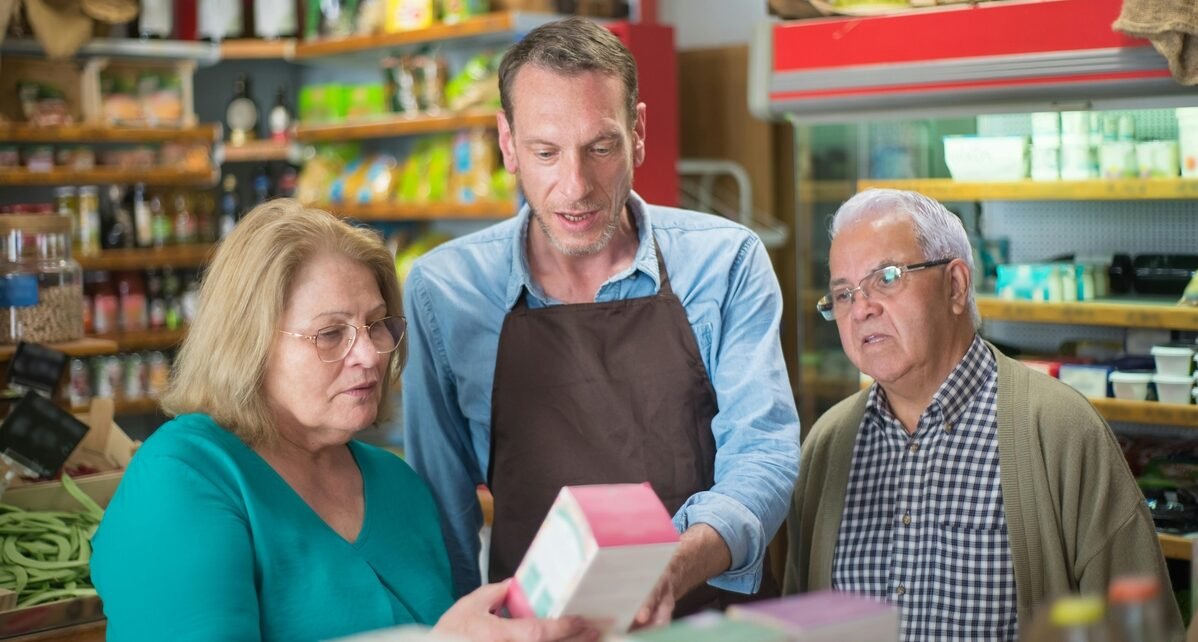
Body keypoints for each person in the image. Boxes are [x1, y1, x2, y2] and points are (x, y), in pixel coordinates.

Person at [402, 17, 800, 623]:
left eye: (601, 147)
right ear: (507, 144)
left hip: (705, 622)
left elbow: (764, 456)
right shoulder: (445, 292)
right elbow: (442, 508)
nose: (576, 185)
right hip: (537, 631)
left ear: (638, 132)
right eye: (545, 152)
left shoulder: (726, 262)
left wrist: (674, 564)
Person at [91, 200, 598, 642]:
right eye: (331, 333)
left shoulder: (400, 486)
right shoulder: (185, 475)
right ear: (248, 344)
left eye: (377, 325)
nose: (370, 355)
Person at [782, 188, 1184, 641]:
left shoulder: (1059, 431)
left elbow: (1139, 631)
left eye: (887, 278)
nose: (861, 309)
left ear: (955, 285)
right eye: (843, 294)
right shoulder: (827, 446)